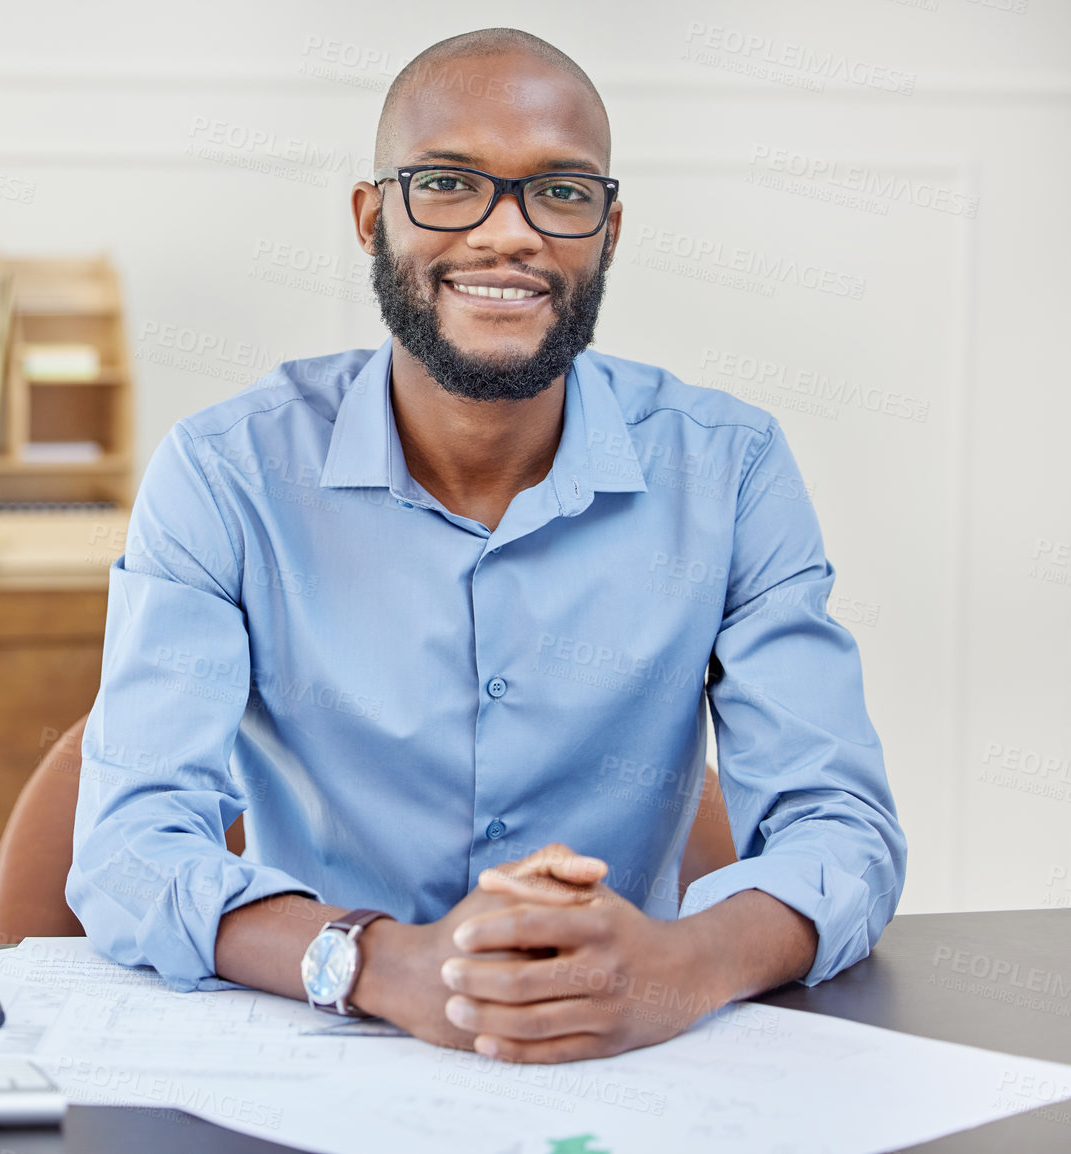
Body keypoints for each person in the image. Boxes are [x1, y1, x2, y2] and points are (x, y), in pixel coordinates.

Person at [65, 27, 905, 1063]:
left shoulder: (730, 471)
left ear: (608, 231)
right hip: (314, 1047)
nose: (508, 235)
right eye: (450, 185)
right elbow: (129, 852)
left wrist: (679, 967)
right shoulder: (226, 474)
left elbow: (842, 828)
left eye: (560, 193)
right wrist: (379, 963)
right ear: (373, 218)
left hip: (620, 1064)